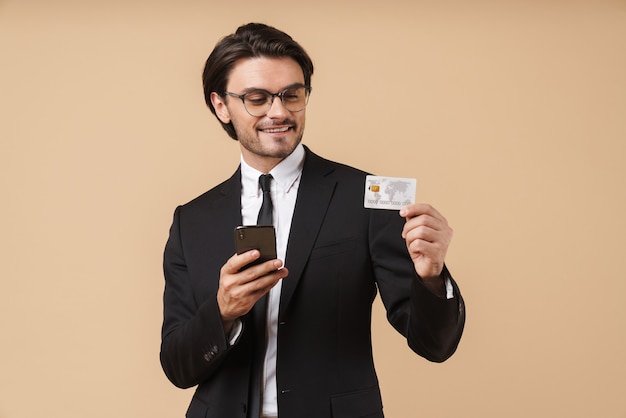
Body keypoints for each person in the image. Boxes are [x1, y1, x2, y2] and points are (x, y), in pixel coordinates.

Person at [160, 22, 465, 418]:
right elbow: (178, 366)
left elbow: (434, 345)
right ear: (221, 105)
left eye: (292, 95)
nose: (279, 112)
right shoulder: (191, 221)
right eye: (257, 98)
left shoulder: (365, 200)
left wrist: (431, 276)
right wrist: (222, 311)